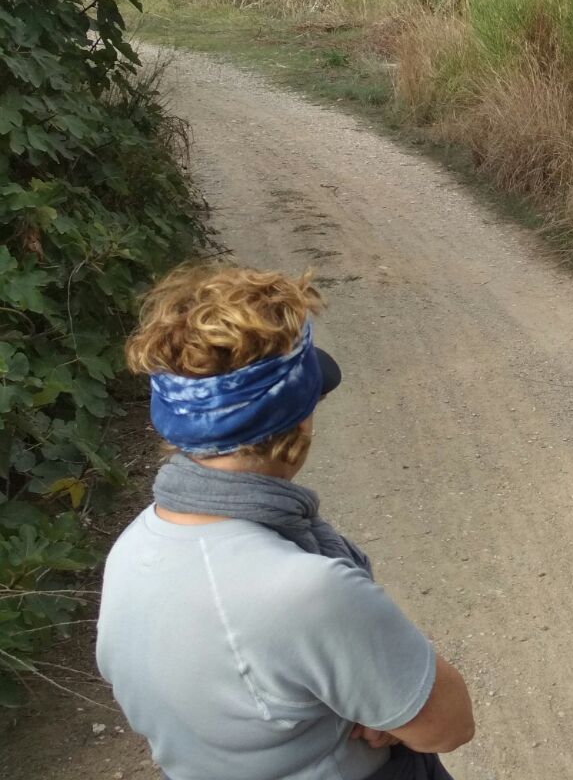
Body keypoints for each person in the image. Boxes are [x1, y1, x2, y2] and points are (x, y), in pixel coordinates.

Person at [98, 264, 474, 780]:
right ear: (298, 420)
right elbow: (449, 725)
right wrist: (385, 711)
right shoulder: (306, 591)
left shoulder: (131, 550)